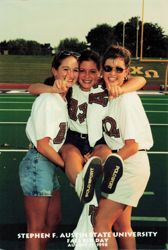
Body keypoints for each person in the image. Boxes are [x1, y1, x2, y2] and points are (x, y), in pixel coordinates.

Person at [28, 49, 147, 204]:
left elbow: (141, 80)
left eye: (92, 71)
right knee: (70, 154)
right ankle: (83, 186)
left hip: (98, 138)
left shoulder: (105, 87)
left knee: (104, 151)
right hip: (74, 137)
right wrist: (53, 88)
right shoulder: (70, 86)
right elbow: (32, 88)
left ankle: (108, 176)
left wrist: (122, 89)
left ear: (99, 73)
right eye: (82, 71)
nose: (86, 76)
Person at [92, 45, 153, 250]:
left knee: (100, 223)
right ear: (102, 70)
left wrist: (108, 160)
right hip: (123, 164)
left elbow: (132, 146)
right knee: (121, 224)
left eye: (119, 69)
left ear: (127, 72)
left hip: (129, 166)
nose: (113, 73)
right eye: (108, 68)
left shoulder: (126, 99)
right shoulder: (109, 97)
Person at [19, 50, 79, 250]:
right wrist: (68, 169)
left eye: (75, 70)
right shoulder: (48, 99)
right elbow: (43, 145)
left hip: (47, 164)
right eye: (65, 69)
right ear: (54, 71)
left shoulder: (62, 99)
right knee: (36, 227)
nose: (71, 74)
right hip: (38, 162)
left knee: (53, 219)